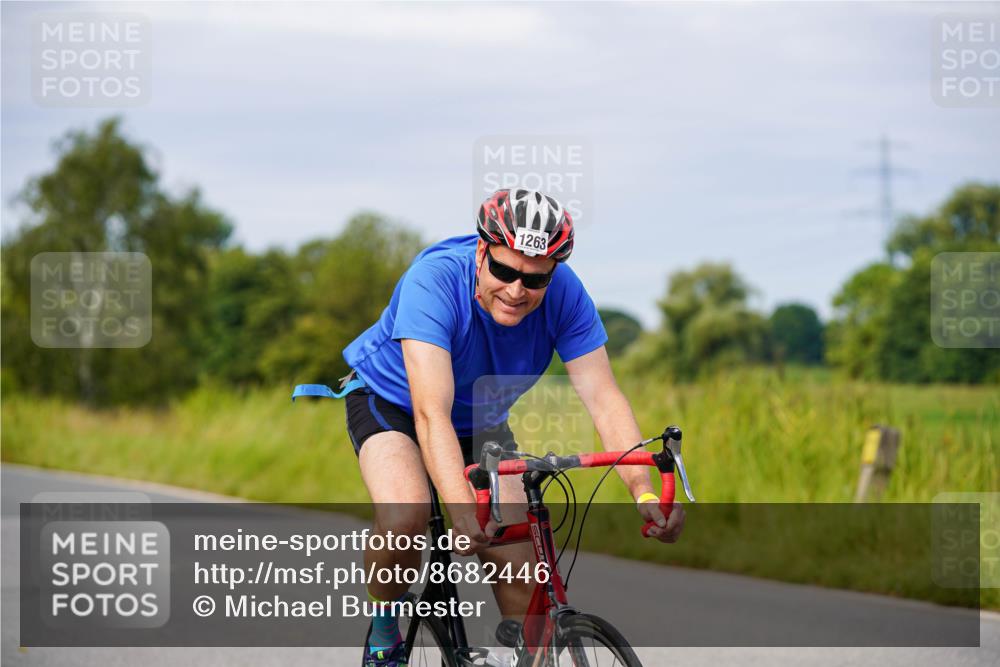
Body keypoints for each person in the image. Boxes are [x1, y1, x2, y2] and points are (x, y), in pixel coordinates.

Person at [341, 188, 686, 666]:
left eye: (535, 278)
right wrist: (462, 509)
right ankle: (384, 635)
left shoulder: (565, 295)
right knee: (406, 516)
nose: (517, 290)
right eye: (504, 271)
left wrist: (643, 492)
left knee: (524, 564)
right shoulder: (433, 281)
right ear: (482, 252)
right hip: (395, 402)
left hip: (480, 418)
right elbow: (430, 413)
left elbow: (605, 400)